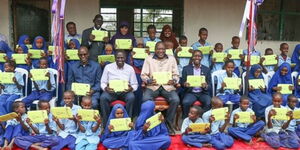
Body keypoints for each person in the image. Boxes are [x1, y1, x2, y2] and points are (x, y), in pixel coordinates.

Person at [141, 41, 180, 133]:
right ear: (155, 50)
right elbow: (143, 75)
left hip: (167, 86)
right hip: (153, 86)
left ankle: (168, 123)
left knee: (175, 99)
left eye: (163, 49)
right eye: (158, 49)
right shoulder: (148, 59)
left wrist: (174, 80)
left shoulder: (171, 59)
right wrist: (149, 80)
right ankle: (152, 122)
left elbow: (176, 75)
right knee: (145, 99)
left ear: (165, 50)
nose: (161, 51)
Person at [100, 50, 137, 126]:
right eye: (118, 58)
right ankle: (106, 124)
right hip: (111, 92)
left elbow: (135, 84)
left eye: (122, 58)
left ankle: (128, 123)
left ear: (125, 58)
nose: (120, 60)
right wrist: (106, 89)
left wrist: (131, 89)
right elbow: (103, 82)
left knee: (131, 97)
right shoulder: (108, 67)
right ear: (115, 58)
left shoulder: (130, 68)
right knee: (103, 98)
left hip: (125, 92)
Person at [181, 50, 211, 118]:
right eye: (195, 56)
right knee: (186, 102)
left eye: (199, 56)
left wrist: (206, 86)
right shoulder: (186, 68)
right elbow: (182, 82)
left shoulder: (206, 69)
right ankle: (185, 119)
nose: (197, 57)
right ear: (192, 57)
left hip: (202, 92)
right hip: (191, 92)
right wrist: (185, 84)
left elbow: (209, 85)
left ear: (201, 57)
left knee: (208, 102)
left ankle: (202, 118)